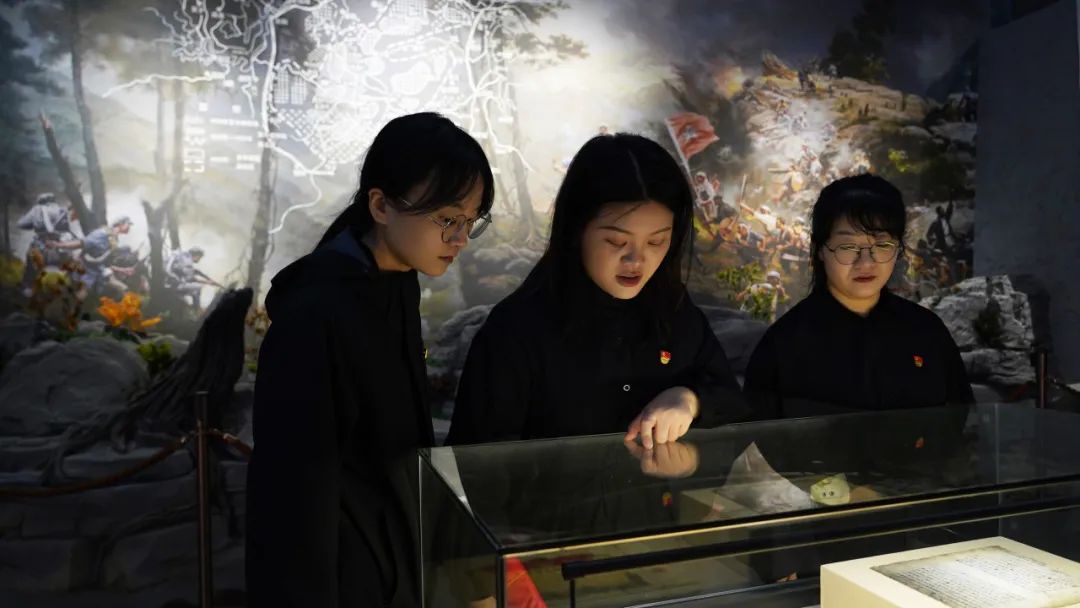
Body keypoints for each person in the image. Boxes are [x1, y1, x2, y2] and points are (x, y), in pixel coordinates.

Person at [245, 112, 494, 608]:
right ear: (381, 205)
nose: (460, 239)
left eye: (471, 221)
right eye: (447, 219)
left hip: (391, 564)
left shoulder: (394, 283)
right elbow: (294, 490)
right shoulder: (317, 313)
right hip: (345, 577)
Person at [447, 133, 748, 449]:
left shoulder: (673, 310)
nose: (636, 260)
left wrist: (690, 400)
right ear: (577, 231)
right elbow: (478, 460)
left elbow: (733, 403)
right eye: (617, 242)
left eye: (656, 241)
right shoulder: (516, 331)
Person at [743, 174, 974, 419]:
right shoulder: (784, 344)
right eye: (847, 246)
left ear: (898, 248)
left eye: (882, 245)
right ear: (819, 249)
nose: (866, 262)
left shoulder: (926, 330)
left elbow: (962, 422)